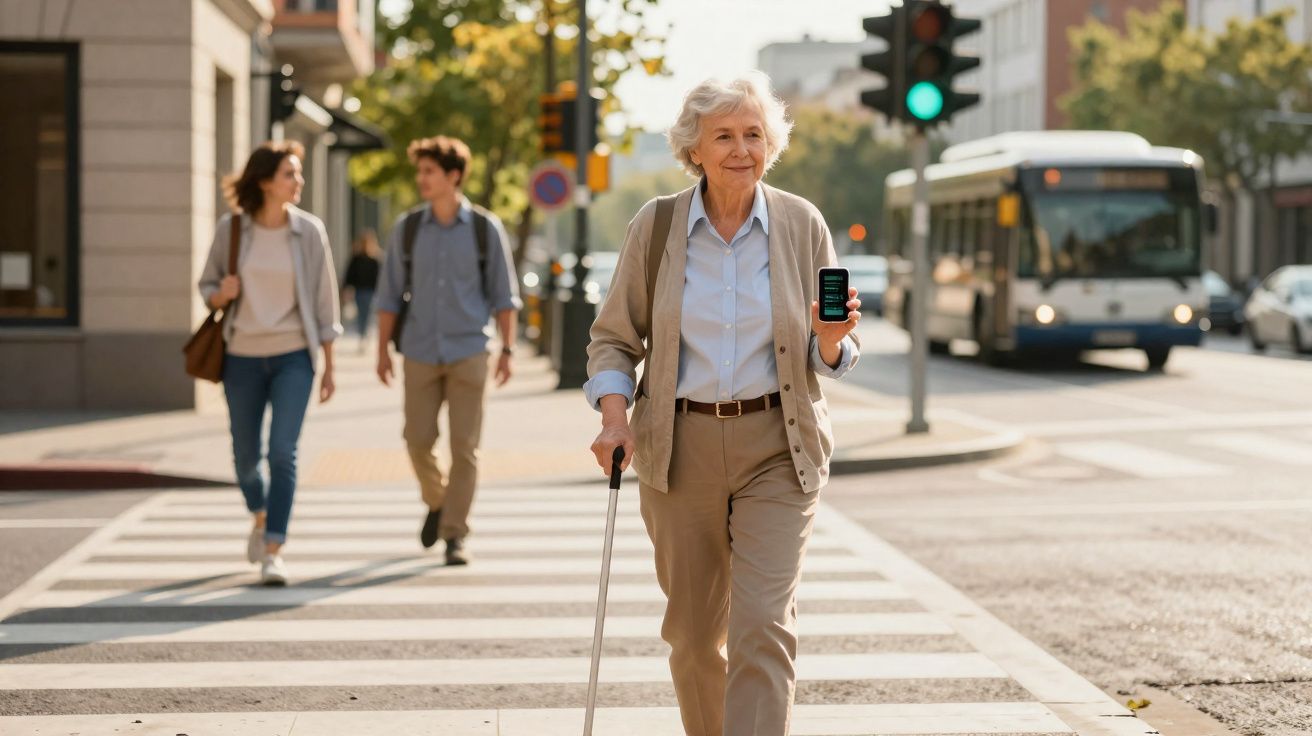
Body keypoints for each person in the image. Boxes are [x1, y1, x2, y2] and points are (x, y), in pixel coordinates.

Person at [584, 74, 862, 736]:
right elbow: (612, 340)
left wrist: (830, 342)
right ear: (694, 150)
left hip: (778, 445)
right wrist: (616, 418)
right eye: (725, 137)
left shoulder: (801, 224)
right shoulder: (656, 226)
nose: (742, 150)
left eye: (754, 135)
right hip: (679, 449)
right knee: (692, 636)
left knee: (763, 624)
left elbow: (835, 360)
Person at [198, 140, 342, 586]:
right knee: (245, 460)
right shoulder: (233, 230)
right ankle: (259, 515)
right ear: (265, 182)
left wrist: (330, 364)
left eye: (297, 174)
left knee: (283, 452)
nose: (298, 181)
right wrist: (224, 292)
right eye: (290, 174)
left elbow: (324, 300)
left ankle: (274, 549)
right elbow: (207, 286)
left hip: (292, 357)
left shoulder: (310, 232)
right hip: (240, 357)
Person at [374, 135, 521, 566]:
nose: (421, 179)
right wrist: (382, 351)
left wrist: (508, 350)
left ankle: (455, 533)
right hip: (419, 350)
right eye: (420, 171)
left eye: (428, 171)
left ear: (453, 176)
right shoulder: (408, 228)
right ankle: (438, 503)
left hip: (469, 351)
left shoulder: (483, 227)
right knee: (417, 440)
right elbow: (388, 295)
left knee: (464, 448)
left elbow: (504, 295)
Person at [342, 230, 382, 351]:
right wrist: (346, 289)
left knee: (368, 314)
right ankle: (362, 335)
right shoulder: (356, 258)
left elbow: (380, 277)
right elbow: (349, 275)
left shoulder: (375, 259)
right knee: (361, 314)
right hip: (359, 291)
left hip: (371, 292)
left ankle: (365, 335)